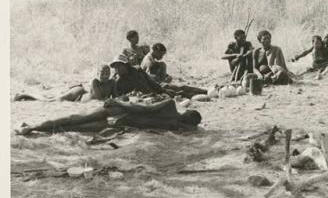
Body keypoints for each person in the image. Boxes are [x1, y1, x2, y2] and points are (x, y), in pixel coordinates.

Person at [16, 97, 202, 136]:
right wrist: (120, 103)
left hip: (120, 118)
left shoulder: (174, 120)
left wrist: (121, 104)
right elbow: (143, 110)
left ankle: (34, 127)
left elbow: (143, 109)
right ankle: (33, 127)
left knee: (75, 123)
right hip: (120, 117)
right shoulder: (174, 121)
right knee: (75, 123)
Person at [14, 65, 115, 102]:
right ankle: (25, 94)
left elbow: (116, 96)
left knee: (51, 97)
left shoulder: (111, 82)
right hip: (78, 94)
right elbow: (98, 99)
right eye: (102, 73)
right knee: (51, 101)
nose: (105, 76)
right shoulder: (95, 81)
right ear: (97, 74)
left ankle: (29, 96)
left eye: (107, 73)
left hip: (82, 95)